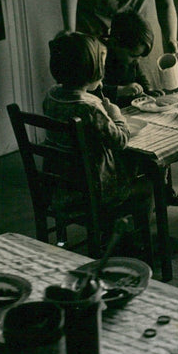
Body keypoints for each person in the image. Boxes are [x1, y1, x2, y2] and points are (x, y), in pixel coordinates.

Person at [43, 31, 153, 250]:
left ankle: (110, 229)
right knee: (149, 178)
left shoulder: (52, 94)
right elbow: (120, 140)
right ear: (90, 71)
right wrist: (116, 115)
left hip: (59, 182)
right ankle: (126, 238)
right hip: (94, 188)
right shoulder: (91, 107)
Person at [101, 10, 178, 206]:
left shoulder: (131, 58)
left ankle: (164, 187)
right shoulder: (100, 55)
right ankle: (139, 191)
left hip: (131, 112)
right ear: (115, 43)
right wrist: (119, 91)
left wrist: (149, 91)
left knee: (162, 134)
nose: (136, 60)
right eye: (132, 56)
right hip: (113, 118)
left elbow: (139, 74)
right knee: (141, 151)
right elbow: (95, 89)